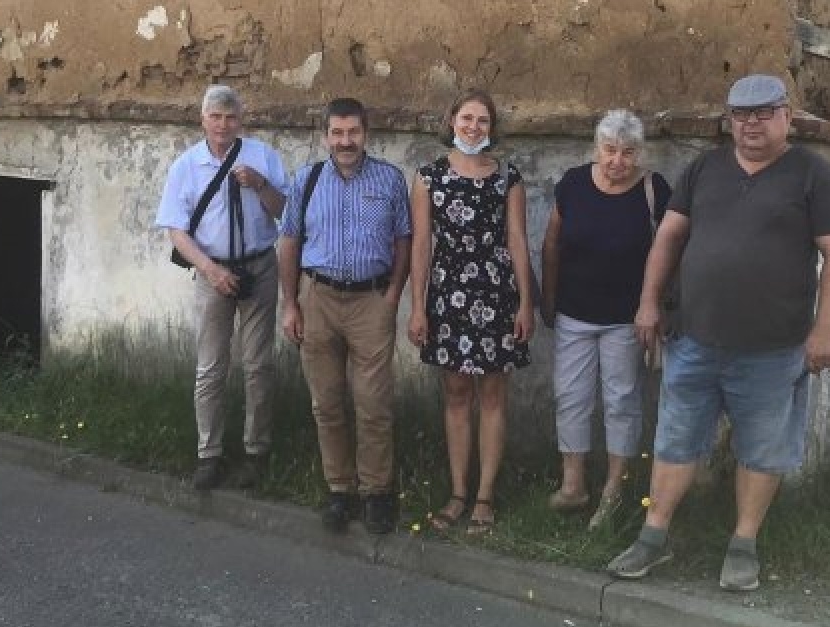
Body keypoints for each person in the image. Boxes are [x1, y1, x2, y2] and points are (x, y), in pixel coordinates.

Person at [607, 74, 830, 592]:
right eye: (742, 115)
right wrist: (648, 303)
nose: (752, 124)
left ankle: (743, 546)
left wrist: (826, 328)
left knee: (763, 448)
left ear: (787, 115)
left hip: (772, 347)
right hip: (694, 338)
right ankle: (652, 538)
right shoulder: (705, 169)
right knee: (676, 438)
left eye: (764, 113)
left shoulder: (814, 175)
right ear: (730, 121)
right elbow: (669, 238)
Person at [278, 97, 411, 535]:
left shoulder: (390, 180)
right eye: (337, 133)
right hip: (319, 298)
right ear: (326, 136)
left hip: (371, 301)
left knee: (373, 403)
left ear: (366, 134)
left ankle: (376, 492)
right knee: (327, 403)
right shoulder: (306, 180)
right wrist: (291, 303)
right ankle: (340, 489)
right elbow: (290, 243)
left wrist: (393, 295)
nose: (345, 141)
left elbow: (403, 241)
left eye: (353, 132)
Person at [409, 90, 534, 537]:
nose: (474, 127)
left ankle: (485, 495)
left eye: (482, 121)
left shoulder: (508, 178)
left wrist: (525, 301)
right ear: (453, 121)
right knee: (457, 393)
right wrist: (417, 307)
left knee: (494, 395)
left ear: (491, 127)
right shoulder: (428, 178)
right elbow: (421, 247)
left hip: (497, 294)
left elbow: (518, 240)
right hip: (448, 295)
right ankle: (458, 492)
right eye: (467, 118)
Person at [540, 109, 671, 532]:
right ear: (596, 149)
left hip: (626, 320)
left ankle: (614, 492)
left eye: (627, 153)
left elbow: (667, 251)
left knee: (621, 401)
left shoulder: (654, 190)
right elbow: (552, 242)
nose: (617, 161)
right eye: (610, 150)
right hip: (574, 312)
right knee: (571, 397)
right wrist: (548, 296)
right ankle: (573, 486)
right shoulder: (574, 184)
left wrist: (655, 307)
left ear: (640, 154)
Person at [156, 85, 288, 491]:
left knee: (258, 365)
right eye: (216, 117)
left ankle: (255, 451)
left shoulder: (262, 156)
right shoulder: (186, 165)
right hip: (212, 272)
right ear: (203, 120)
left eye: (230, 117)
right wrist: (211, 270)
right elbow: (176, 230)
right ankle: (208, 455)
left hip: (260, 267)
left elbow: (285, 211)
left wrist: (261, 184)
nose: (223, 125)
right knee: (211, 367)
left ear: (241, 120)